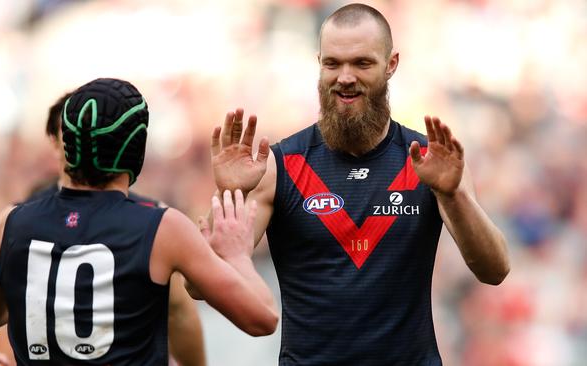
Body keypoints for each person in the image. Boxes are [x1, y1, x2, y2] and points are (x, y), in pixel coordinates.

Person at [208, 3, 510, 365]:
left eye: (362, 63)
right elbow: (201, 283)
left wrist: (452, 194)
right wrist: (231, 193)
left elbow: (495, 270)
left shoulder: (430, 162)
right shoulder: (278, 166)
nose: (345, 77)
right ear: (319, 63)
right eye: (332, 63)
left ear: (391, 64)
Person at [0, 78, 278, 365]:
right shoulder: (162, 228)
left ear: (67, 144)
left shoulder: (13, 222)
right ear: (136, 148)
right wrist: (237, 257)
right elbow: (262, 318)